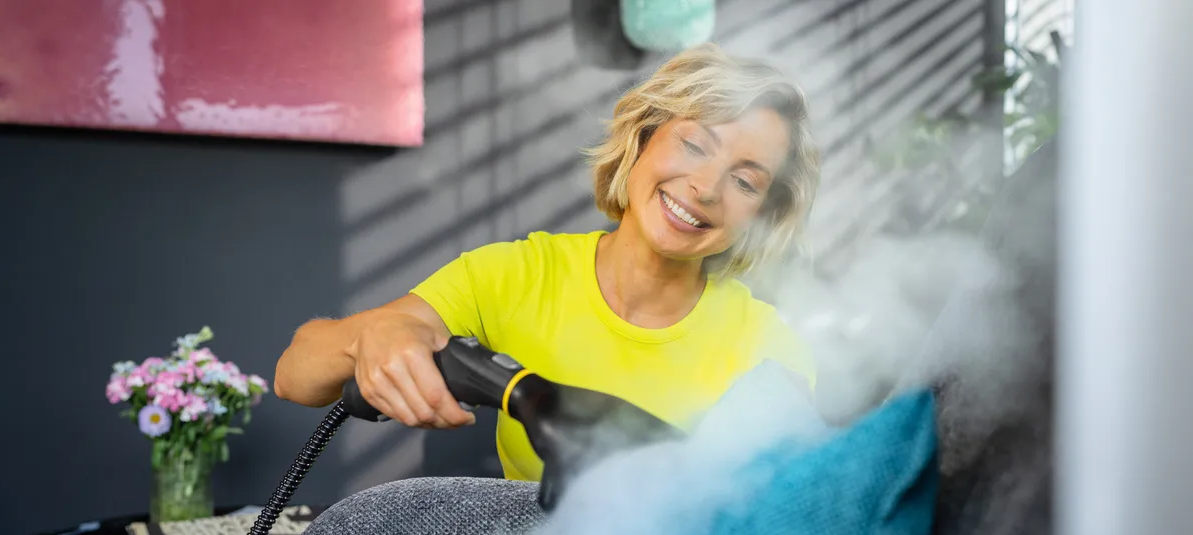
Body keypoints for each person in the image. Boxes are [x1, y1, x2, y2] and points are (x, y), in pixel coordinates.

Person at [273, 43, 821, 483]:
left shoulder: (765, 347)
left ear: (761, 214)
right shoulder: (516, 277)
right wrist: (379, 335)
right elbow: (294, 375)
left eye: (745, 181)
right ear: (643, 139)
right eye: (695, 146)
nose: (706, 187)